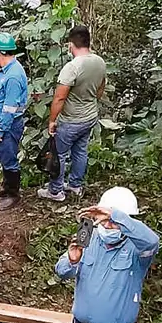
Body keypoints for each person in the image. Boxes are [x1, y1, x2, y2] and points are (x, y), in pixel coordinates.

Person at [54, 187, 159, 323]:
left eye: (113, 222)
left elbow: (152, 241)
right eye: (105, 221)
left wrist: (115, 216)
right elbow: (61, 271)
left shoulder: (136, 251)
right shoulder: (87, 238)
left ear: (127, 221)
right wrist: (71, 261)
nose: (108, 226)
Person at [39, 25, 106, 202]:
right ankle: (75, 185)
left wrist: (52, 120)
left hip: (71, 120)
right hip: (90, 116)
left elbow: (59, 98)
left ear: (71, 44)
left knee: (59, 154)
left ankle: (55, 191)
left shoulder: (72, 67)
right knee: (80, 151)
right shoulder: (99, 62)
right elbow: (100, 88)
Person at [0, 33, 28, 211]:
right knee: (4, 157)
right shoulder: (6, 71)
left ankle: (13, 194)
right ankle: (7, 187)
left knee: (9, 158)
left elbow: (10, 107)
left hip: (8, 126)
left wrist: (0, 130)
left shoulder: (13, 76)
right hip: (0, 123)